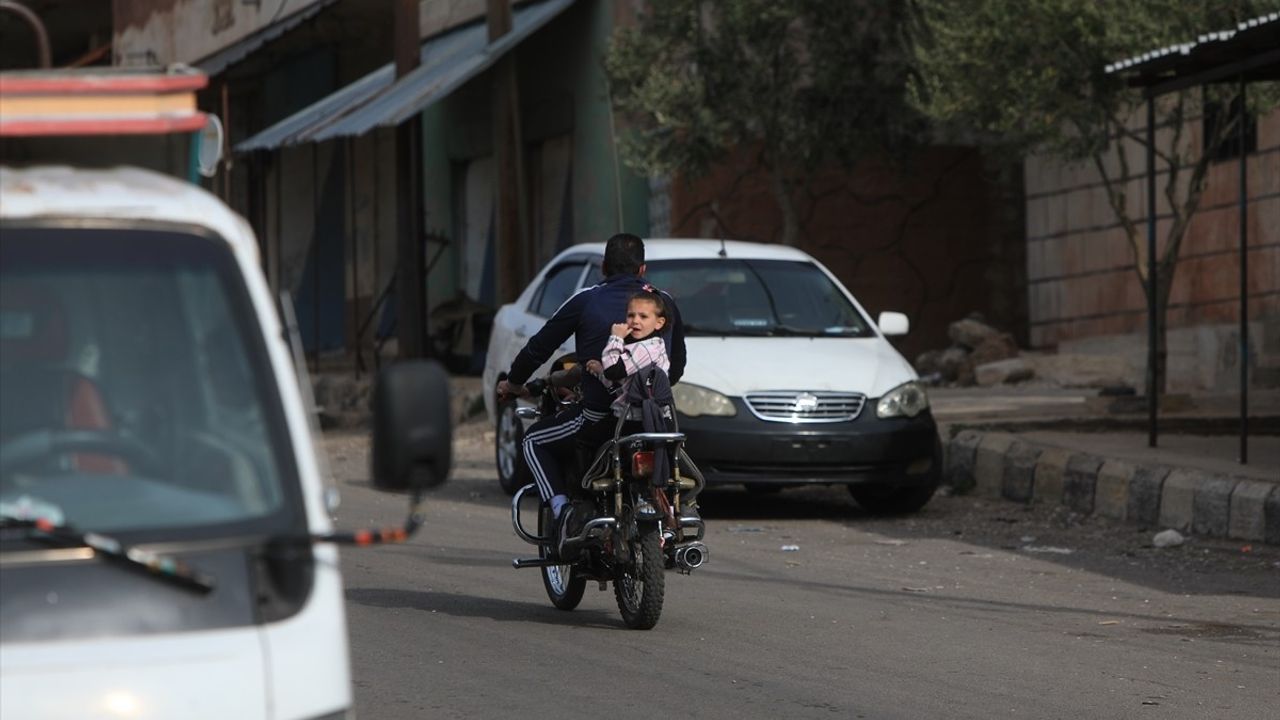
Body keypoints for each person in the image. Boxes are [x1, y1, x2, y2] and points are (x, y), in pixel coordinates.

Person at [496, 234, 685, 555]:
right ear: (642, 269)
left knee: (533, 441)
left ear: (603, 268)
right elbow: (677, 366)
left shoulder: (585, 299)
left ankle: (562, 509)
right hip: (656, 420)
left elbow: (539, 348)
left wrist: (513, 384)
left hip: (599, 418)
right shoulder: (662, 302)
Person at [585, 289, 672, 520]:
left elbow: (615, 370)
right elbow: (619, 381)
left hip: (634, 421)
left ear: (659, 322)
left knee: (584, 440)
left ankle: (586, 499)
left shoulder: (644, 347)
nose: (635, 321)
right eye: (631, 315)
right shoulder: (652, 347)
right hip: (656, 420)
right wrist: (598, 371)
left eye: (643, 317)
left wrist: (615, 337)